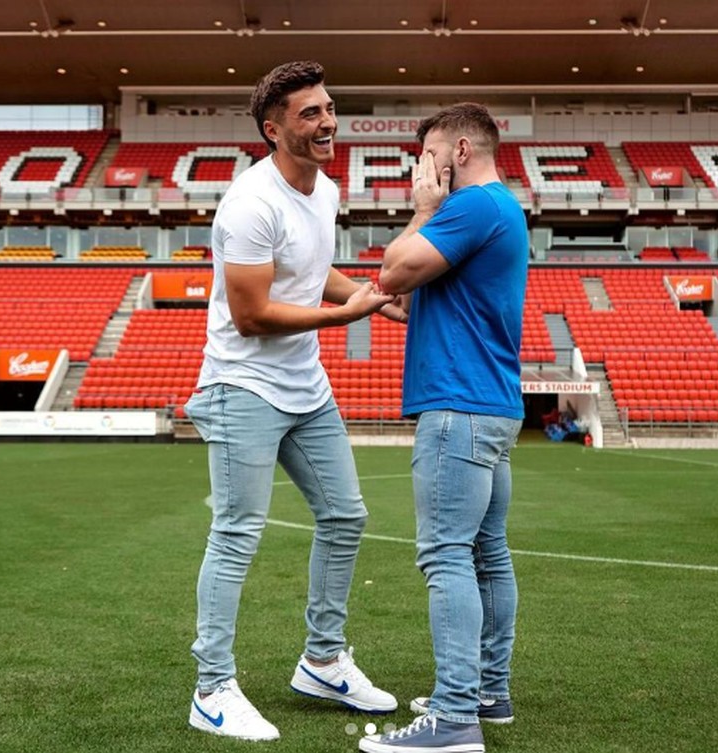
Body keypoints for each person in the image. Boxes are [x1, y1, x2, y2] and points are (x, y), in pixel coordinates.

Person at [184, 60, 402, 742]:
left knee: (346, 515)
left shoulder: (326, 191)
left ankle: (323, 658)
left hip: (305, 388)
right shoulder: (250, 203)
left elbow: (310, 270)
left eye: (329, 107)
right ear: (273, 129)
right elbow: (250, 314)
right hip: (241, 385)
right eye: (310, 113)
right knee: (237, 533)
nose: (327, 121)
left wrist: (367, 296)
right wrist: (347, 317)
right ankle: (211, 687)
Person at [359, 103, 529, 753]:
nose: (420, 166)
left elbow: (394, 271)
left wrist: (425, 206)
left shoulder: (472, 206)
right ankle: (488, 689)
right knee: (487, 553)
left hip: (458, 408)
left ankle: (456, 718)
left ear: (459, 149)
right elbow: (407, 295)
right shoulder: (499, 208)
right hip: (488, 405)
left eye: (427, 153)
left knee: (447, 554)